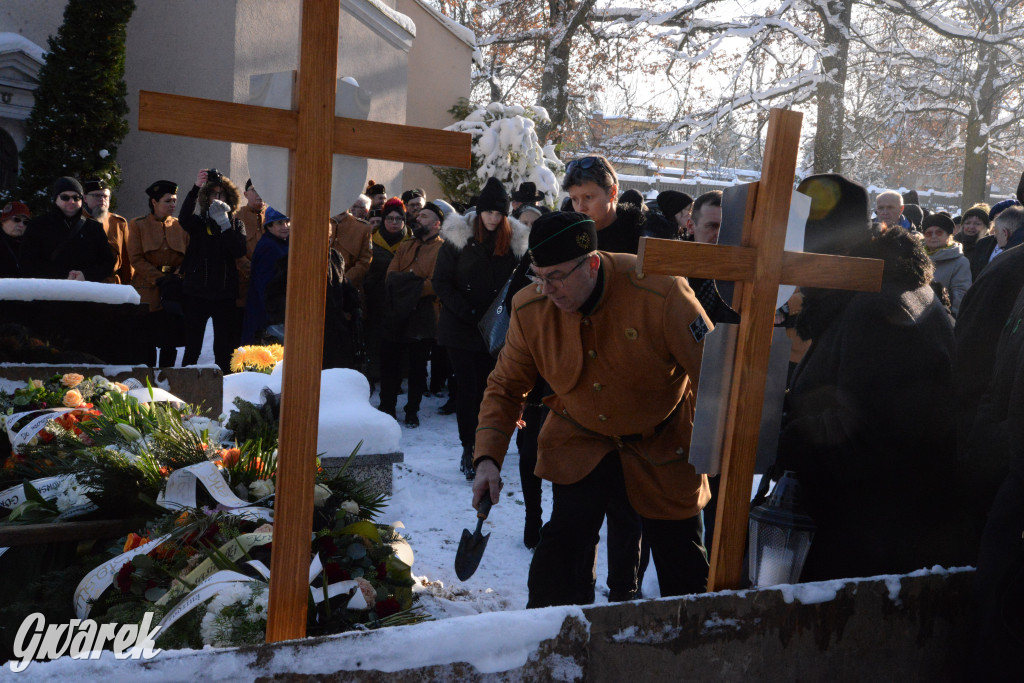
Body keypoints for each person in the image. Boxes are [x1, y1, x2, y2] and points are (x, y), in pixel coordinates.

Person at [472, 211, 712, 608]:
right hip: (580, 439)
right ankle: (553, 643)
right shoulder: (530, 308)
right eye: (538, 275)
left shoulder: (662, 291)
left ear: (593, 264)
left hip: (661, 441)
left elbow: (712, 375)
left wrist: (717, 449)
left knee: (682, 561)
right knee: (561, 553)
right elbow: (505, 386)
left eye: (557, 276)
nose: (547, 289)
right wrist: (487, 458)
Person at [776, 184, 975, 581]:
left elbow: (866, 436)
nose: (793, 271)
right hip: (876, 531)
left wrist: (775, 435)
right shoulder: (879, 288)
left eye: (798, 251)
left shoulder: (880, 308)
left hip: (875, 549)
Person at [433, 180, 529, 479]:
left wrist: (506, 313)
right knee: (467, 389)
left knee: (492, 390)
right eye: (487, 212)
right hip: (461, 328)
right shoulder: (458, 237)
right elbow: (441, 281)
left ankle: (488, 447)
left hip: (496, 329)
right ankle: (468, 446)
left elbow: (521, 282)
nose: (492, 218)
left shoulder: (514, 242)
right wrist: (467, 311)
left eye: (498, 213)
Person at [378, 198, 444, 426]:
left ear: (437, 224)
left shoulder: (442, 249)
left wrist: (406, 282)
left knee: (417, 368)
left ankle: (412, 410)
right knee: (390, 363)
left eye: (424, 216)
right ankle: (386, 406)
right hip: (395, 312)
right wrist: (415, 280)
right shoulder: (406, 245)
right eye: (419, 215)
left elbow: (435, 283)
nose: (418, 218)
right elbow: (390, 277)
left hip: (422, 314)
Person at [178, 168, 247, 373]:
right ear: (206, 198)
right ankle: (186, 385)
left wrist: (224, 223)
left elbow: (238, 250)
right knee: (192, 347)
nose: (217, 198)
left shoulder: (236, 223)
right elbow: (183, 218)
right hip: (196, 293)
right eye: (213, 194)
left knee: (223, 348)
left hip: (224, 294)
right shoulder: (198, 222)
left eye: (221, 194)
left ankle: (225, 387)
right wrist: (195, 188)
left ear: (229, 197)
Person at [127, 180, 189, 367]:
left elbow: (188, 257)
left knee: (170, 341)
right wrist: (159, 279)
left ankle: (165, 380)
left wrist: (177, 277)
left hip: (173, 290)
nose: (173, 205)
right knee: (147, 341)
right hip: (148, 289)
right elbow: (136, 258)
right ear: (154, 202)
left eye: (174, 201)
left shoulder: (180, 226)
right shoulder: (138, 225)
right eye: (167, 201)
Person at [21, 177, 114, 282]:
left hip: (85, 292)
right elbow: (28, 262)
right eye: (65, 197)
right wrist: (63, 276)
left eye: (76, 197)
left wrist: (86, 275)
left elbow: (107, 262)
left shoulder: (94, 227)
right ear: (56, 199)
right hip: (49, 292)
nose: (71, 201)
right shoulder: (38, 225)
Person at [363, 197, 409, 389]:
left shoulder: (411, 242)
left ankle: (398, 375)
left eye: (398, 219)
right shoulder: (373, 240)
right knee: (376, 339)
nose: (394, 223)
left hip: (402, 301)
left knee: (400, 340)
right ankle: (375, 373)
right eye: (390, 218)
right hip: (377, 299)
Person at [242, 207, 290, 343]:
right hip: (268, 318)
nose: (285, 227)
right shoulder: (269, 247)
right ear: (269, 226)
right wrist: (275, 315)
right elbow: (265, 286)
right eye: (279, 223)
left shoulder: (281, 243)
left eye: (287, 222)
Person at [82, 179, 132, 285]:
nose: (102, 199)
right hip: (84, 284)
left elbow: (127, 261)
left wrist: (129, 287)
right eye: (97, 196)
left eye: (105, 196)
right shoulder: (77, 221)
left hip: (112, 285)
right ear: (85, 198)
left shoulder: (118, 223)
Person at [921, 213, 971, 316]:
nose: (933, 236)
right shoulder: (917, 258)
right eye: (929, 233)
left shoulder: (960, 262)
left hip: (942, 317)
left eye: (939, 232)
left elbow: (961, 295)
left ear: (948, 235)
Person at [330, 202, 373, 290]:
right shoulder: (320, 224)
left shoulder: (362, 227)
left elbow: (364, 261)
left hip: (349, 289)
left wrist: (344, 280)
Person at [0, 201, 30, 278]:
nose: (21, 225)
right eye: (17, 219)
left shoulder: (29, 245)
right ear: (4, 221)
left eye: (25, 222)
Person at [956, 203, 990, 269]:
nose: (971, 227)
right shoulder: (953, 245)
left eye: (977, 224)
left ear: (986, 227)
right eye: (967, 223)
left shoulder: (990, 247)